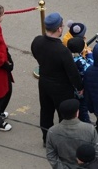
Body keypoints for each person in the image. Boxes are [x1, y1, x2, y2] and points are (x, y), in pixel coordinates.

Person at [31, 12, 84, 145]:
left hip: (44, 83)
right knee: (65, 115)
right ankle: (63, 140)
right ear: (59, 29)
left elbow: (36, 55)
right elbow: (72, 73)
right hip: (62, 88)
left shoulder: (37, 41)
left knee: (46, 112)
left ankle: (46, 138)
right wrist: (80, 87)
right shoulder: (62, 51)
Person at [46, 99, 98, 169]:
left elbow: (51, 155)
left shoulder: (52, 131)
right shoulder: (89, 129)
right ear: (77, 113)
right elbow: (97, 153)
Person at [67, 37, 92, 123]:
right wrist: (90, 55)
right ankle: (85, 121)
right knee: (83, 106)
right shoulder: (79, 61)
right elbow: (89, 69)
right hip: (79, 87)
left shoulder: (67, 56)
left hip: (70, 85)